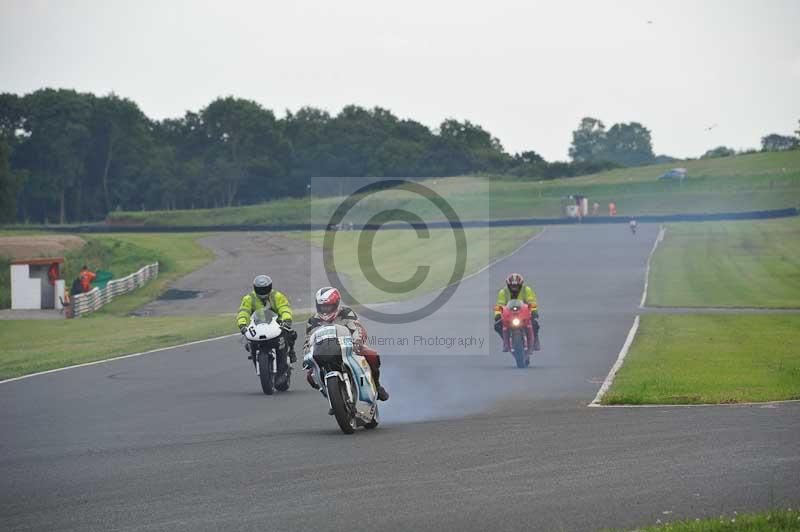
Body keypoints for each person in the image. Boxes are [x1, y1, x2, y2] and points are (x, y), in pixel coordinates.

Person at [303, 286, 389, 401]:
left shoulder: (346, 312)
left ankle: (377, 386)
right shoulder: (312, 321)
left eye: (329, 306)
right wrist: (307, 355)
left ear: (336, 304)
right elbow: (308, 341)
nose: (325, 310)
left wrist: (357, 341)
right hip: (324, 351)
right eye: (322, 306)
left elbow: (357, 328)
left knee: (372, 355)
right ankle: (330, 395)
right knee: (310, 375)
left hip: (348, 346)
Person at [236, 275, 297, 362]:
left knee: (291, 334)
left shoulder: (277, 296)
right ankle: (254, 355)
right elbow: (243, 312)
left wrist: (286, 319)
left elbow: (284, 308)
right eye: (260, 289)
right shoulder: (249, 298)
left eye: (265, 289)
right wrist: (242, 324)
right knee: (248, 341)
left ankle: (291, 352)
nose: (263, 292)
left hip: (277, 323)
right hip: (257, 324)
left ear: (270, 287)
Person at [493, 273, 540, 351]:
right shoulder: (503, 292)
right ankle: (505, 342)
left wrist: (534, 311)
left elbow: (532, 301)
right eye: (512, 286)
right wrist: (497, 315)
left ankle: (535, 341)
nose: (514, 288)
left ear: (521, 284)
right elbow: (499, 305)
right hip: (509, 314)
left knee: (534, 323)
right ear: (508, 285)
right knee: (497, 325)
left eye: (516, 286)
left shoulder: (526, 290)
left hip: (524, 313)